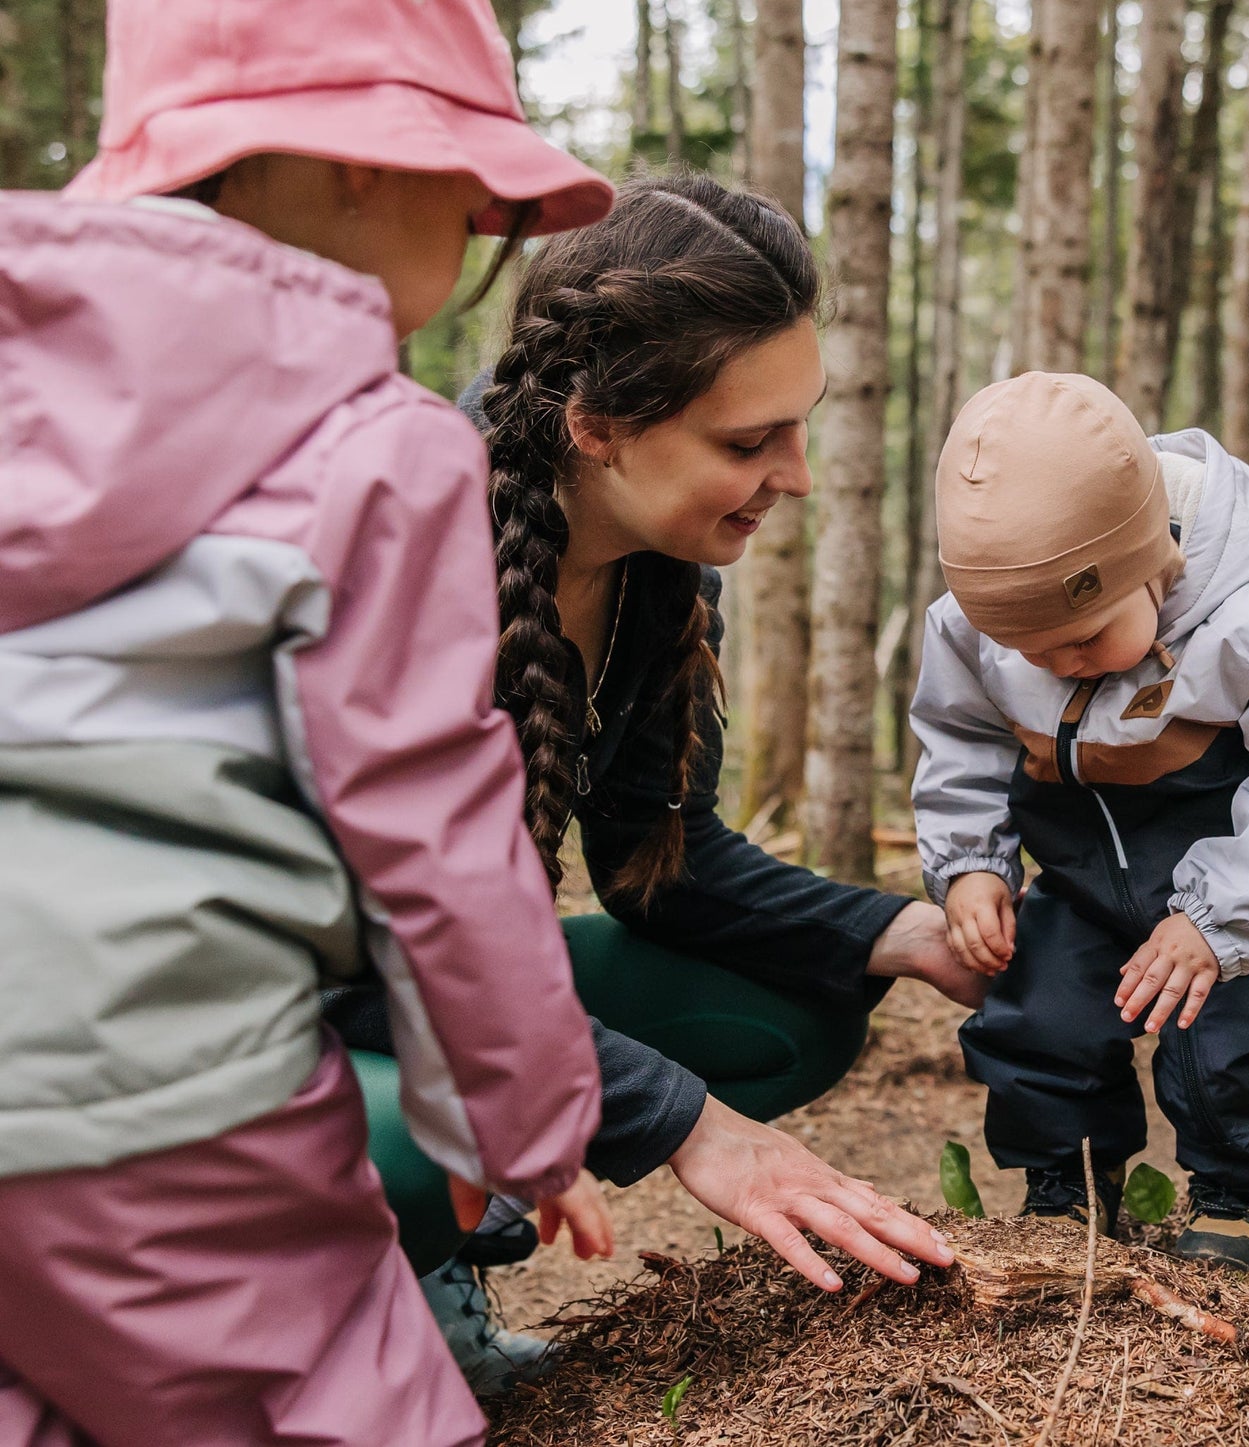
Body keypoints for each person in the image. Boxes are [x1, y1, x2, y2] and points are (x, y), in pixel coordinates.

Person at [0, 2, 624, 1443]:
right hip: (165, 1108)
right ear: (359, 162)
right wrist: (517, 1124)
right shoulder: (373, 444)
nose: (482, 240)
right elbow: (433, 830)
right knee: (335, 1389)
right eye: (477, 202)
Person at [330, 170, 981, 1380]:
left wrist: (905, 933)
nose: (795, 474)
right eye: (749, 441)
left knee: (792, 1010)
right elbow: (352, 962)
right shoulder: (398, 560)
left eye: (800, 424)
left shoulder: (659, 578)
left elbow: (658, 868)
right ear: (598, 422)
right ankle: (374, 1292)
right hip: (275, 1022)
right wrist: (683, 1122)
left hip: (444, 993)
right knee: (428, 1140)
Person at [910, 370, 1249, 1278]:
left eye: (1082, 640)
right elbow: (957, 739)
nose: (1055, 664)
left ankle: (1242, 1188)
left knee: (1229, 1037)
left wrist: (1216, 918)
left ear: (1152, 562)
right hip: (1086, 876)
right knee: (1035, 1012)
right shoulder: (974, 630)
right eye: (1027, 651)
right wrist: (970, 862)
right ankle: (1067, 1183)